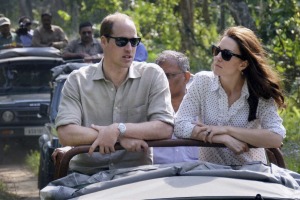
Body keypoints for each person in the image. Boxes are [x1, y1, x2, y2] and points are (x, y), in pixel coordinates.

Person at [55, 12, 174, 175]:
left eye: (134, 42)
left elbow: (164, 127)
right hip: (86, 174)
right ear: (104, 42)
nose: (129, 48)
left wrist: (119, 129)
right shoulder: (78, 80)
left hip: (137, 173)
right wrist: (119, 137)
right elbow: (66, 133)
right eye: (122, 41)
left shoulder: (152, 75)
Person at [174, 26, 286, 166]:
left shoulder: (260, 91)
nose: (218, 58)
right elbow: (179, 125)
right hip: (209, 172)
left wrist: (227, 130)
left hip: (251, 173)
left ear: (243, 64)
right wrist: (222, 138)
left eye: (226, 54)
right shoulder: (202, 82)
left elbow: (275, 137)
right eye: (216, 51)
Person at [153, 50, 199, 164]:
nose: (162, 81)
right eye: (159, 76)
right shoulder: (147, 107)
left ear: (186, 77)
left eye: (169, 76)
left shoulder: (202, 106)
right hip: (155, 175)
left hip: (197, 173)